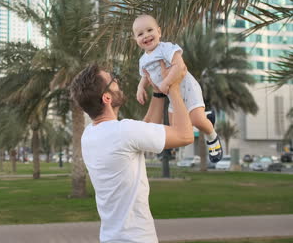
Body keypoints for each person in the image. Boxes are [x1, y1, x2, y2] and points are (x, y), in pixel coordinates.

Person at [69, 62, 193, 243]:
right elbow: (185, 135)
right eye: (113, 81)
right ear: (107, 98)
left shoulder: (90, 135)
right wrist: (173, 86)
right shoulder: (123, 132)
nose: (117, 81)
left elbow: (144, 132)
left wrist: (158, 93)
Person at [133, 14, 223, 163]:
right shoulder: (143, 60)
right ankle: (207, 117)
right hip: (172, 96)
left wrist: (167, 82)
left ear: (159, 32)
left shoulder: (166, 48)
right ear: (136, 39)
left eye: (150, 30)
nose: (146, 36)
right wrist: (140, 87)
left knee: (197, 119)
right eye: (140, 34)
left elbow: (179, 65)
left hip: (188, 89)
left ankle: (212, 136)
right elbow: (145, 76)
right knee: (177, 127)